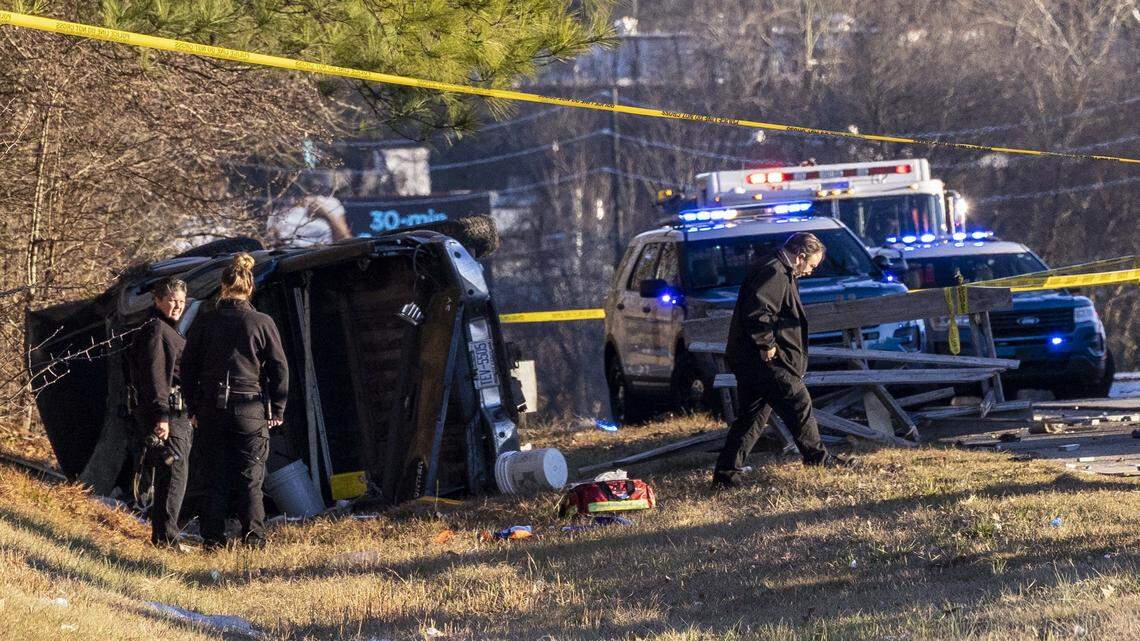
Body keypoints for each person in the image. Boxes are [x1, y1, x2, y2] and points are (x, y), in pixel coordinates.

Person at [712, 232, 846, 488]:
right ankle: (818, 458)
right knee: (798, 402)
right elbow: (759, 310)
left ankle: (726, 475)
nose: (809, 272)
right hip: (765, 359)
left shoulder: (775, 268)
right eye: (811, 266)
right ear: (800, 256)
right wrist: (767, 344)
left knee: (751, 418)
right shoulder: (774, 271)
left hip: (751, 360)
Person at [181, 253, 289, 548]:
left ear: (222, 286)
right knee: (251, 478)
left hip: (211, 408)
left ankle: (213, 540)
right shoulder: (261, 322)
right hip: (249, 407)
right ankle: (253, 538)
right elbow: (279, 367)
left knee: (213, 476)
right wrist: (277, 407)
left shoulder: (206, 321)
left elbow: (187, 366)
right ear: (250, 287)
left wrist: (193, 406)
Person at [127, 276, 190, 547]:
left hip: (174, 413)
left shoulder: (168, 329)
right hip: (169, 414)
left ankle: (164, 534)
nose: (177, 306)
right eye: (172, 301)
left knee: (172, 472)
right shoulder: (156, 329)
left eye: (182, 302)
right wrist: (161, 416)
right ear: (157, 300)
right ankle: (167, 537)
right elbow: (155, 376)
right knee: (174, 471)